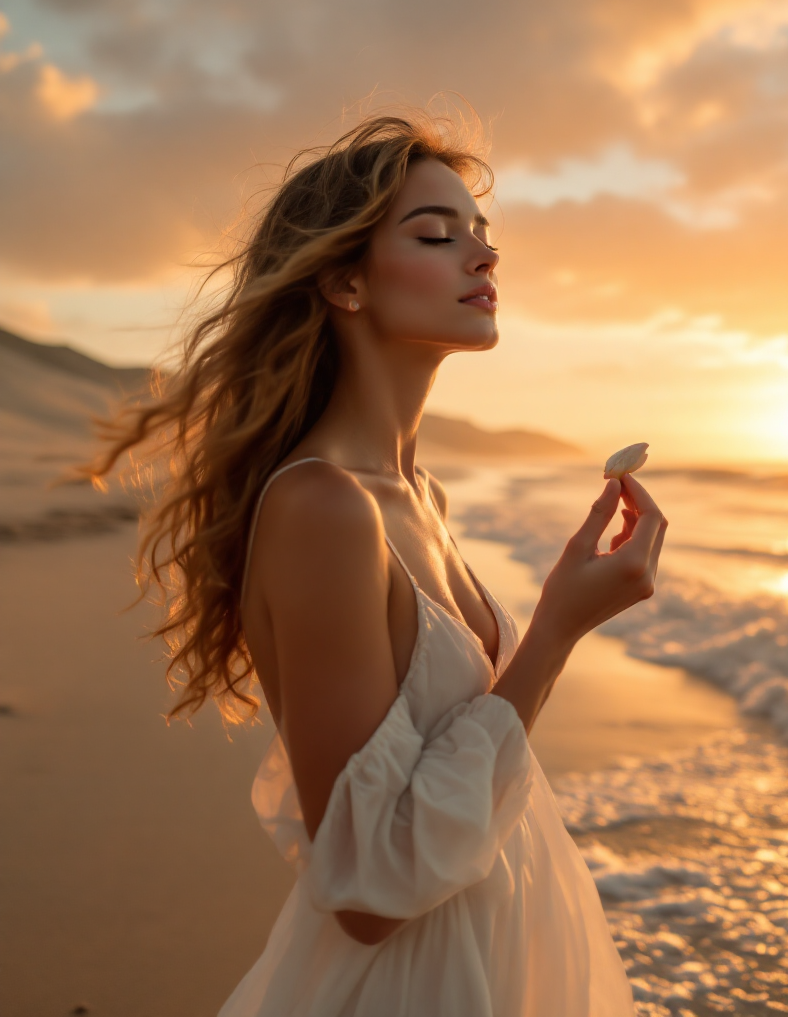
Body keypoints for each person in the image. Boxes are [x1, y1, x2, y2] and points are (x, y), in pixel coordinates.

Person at [90, 111, 667, 1016]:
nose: (484, 257)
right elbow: (365, 887)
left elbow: (459, 758)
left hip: (494, 947)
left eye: (482, 235)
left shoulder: (417, 495)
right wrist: (555, 627)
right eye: (438, 235)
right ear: (345, 281)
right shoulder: (323, 508)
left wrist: (557, 611)